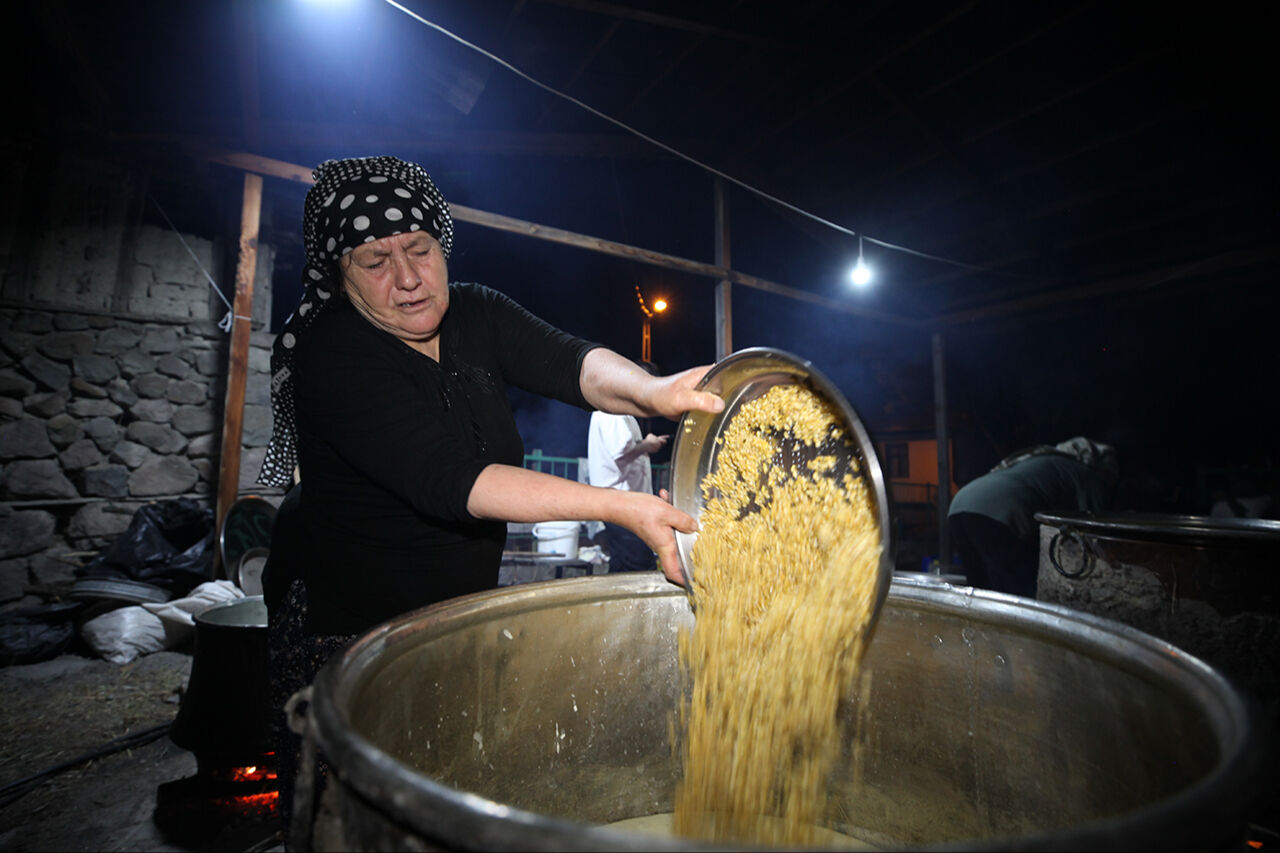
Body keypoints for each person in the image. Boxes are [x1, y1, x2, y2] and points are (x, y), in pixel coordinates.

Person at [256, 155, 723, 834]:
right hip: (342, 624)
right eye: (375, 260)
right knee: (352, 820)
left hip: (446, 611)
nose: (409, 278)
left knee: (441, 796)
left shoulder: (474, 311)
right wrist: (625, 506)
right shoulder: (331, 353)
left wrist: (655, 391)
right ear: (339, 272)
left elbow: (572, 361)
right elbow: (457, 482)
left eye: (419, 249)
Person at [947, 437, 1117, 598]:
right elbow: (1099, 522)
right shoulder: (1085, 472)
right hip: (1004, 511)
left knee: (979, 591)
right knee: (1023, 592)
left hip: (959, 504)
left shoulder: (1037, 459)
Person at [587, 360, 669, 572]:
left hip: (624, 504)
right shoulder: (611, 410)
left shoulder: (620, 411)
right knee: (638, 567)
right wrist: (648, 444)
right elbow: (620, 453)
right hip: (622, 505)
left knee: (624, 566)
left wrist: (646, 444)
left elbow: (625, 448)